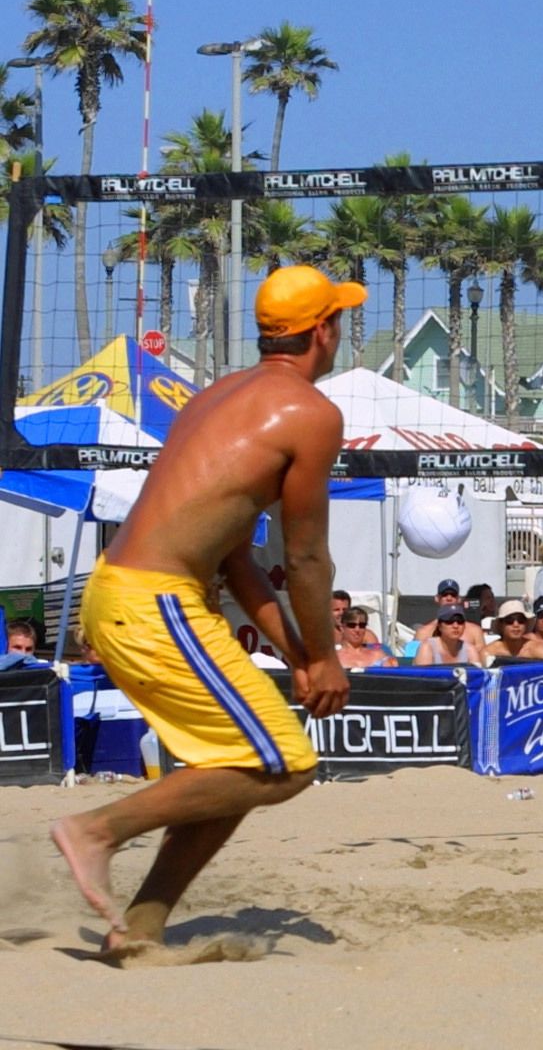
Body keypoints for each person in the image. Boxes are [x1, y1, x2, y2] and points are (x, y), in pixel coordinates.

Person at [49, 263, 357, 959]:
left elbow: (235, 560)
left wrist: (301, 656)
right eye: (339, 320)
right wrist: (328, 657)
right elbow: (308, 560)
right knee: (286, 765)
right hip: (155, 602)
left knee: (237, 771)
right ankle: (96, 830)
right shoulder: (312, 414)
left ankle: (142, 928)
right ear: (323, 331)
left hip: (120, 591)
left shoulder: (218, 394)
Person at [414, 579, 485, 656]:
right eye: (444, 595)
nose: (449, 598)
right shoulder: (423, 633)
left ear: (459, 599)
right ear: (437, 598)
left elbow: (482, 662)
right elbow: (417, 664)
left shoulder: (475, 631)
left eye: (453, 595)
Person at [414, 607, 486, 666]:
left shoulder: (470, 650)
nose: (456, 626)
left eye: (460, 621)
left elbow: (477, 677)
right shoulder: (427, 647)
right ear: (439, 626)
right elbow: (423, 678)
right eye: (449, 621)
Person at [335, 605, 395, 669]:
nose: (357, 629)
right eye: (351, 625)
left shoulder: (378, 656)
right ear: (342, 628)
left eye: (362, 625)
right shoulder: (333, 658)